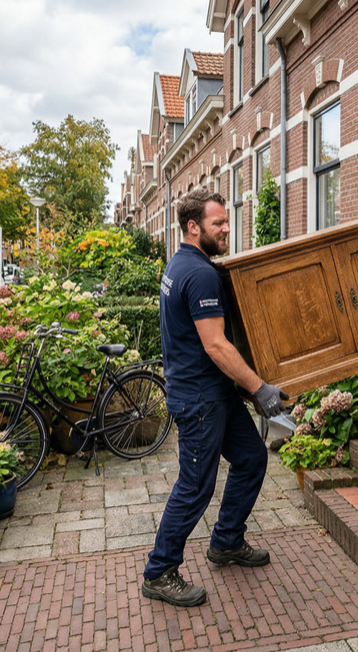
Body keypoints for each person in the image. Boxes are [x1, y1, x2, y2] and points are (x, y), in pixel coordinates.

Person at [142, 188, 288, 608]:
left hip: (215, 393)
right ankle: (159, 571)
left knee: (251, 458)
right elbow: (216, 345)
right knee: (195, 486)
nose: (227, 228)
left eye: (226, 221)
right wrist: (259, 388)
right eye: (218, 223)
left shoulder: (181, 264)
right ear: (194, 227)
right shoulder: (200, 273)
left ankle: (226, 541)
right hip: (200, 400)